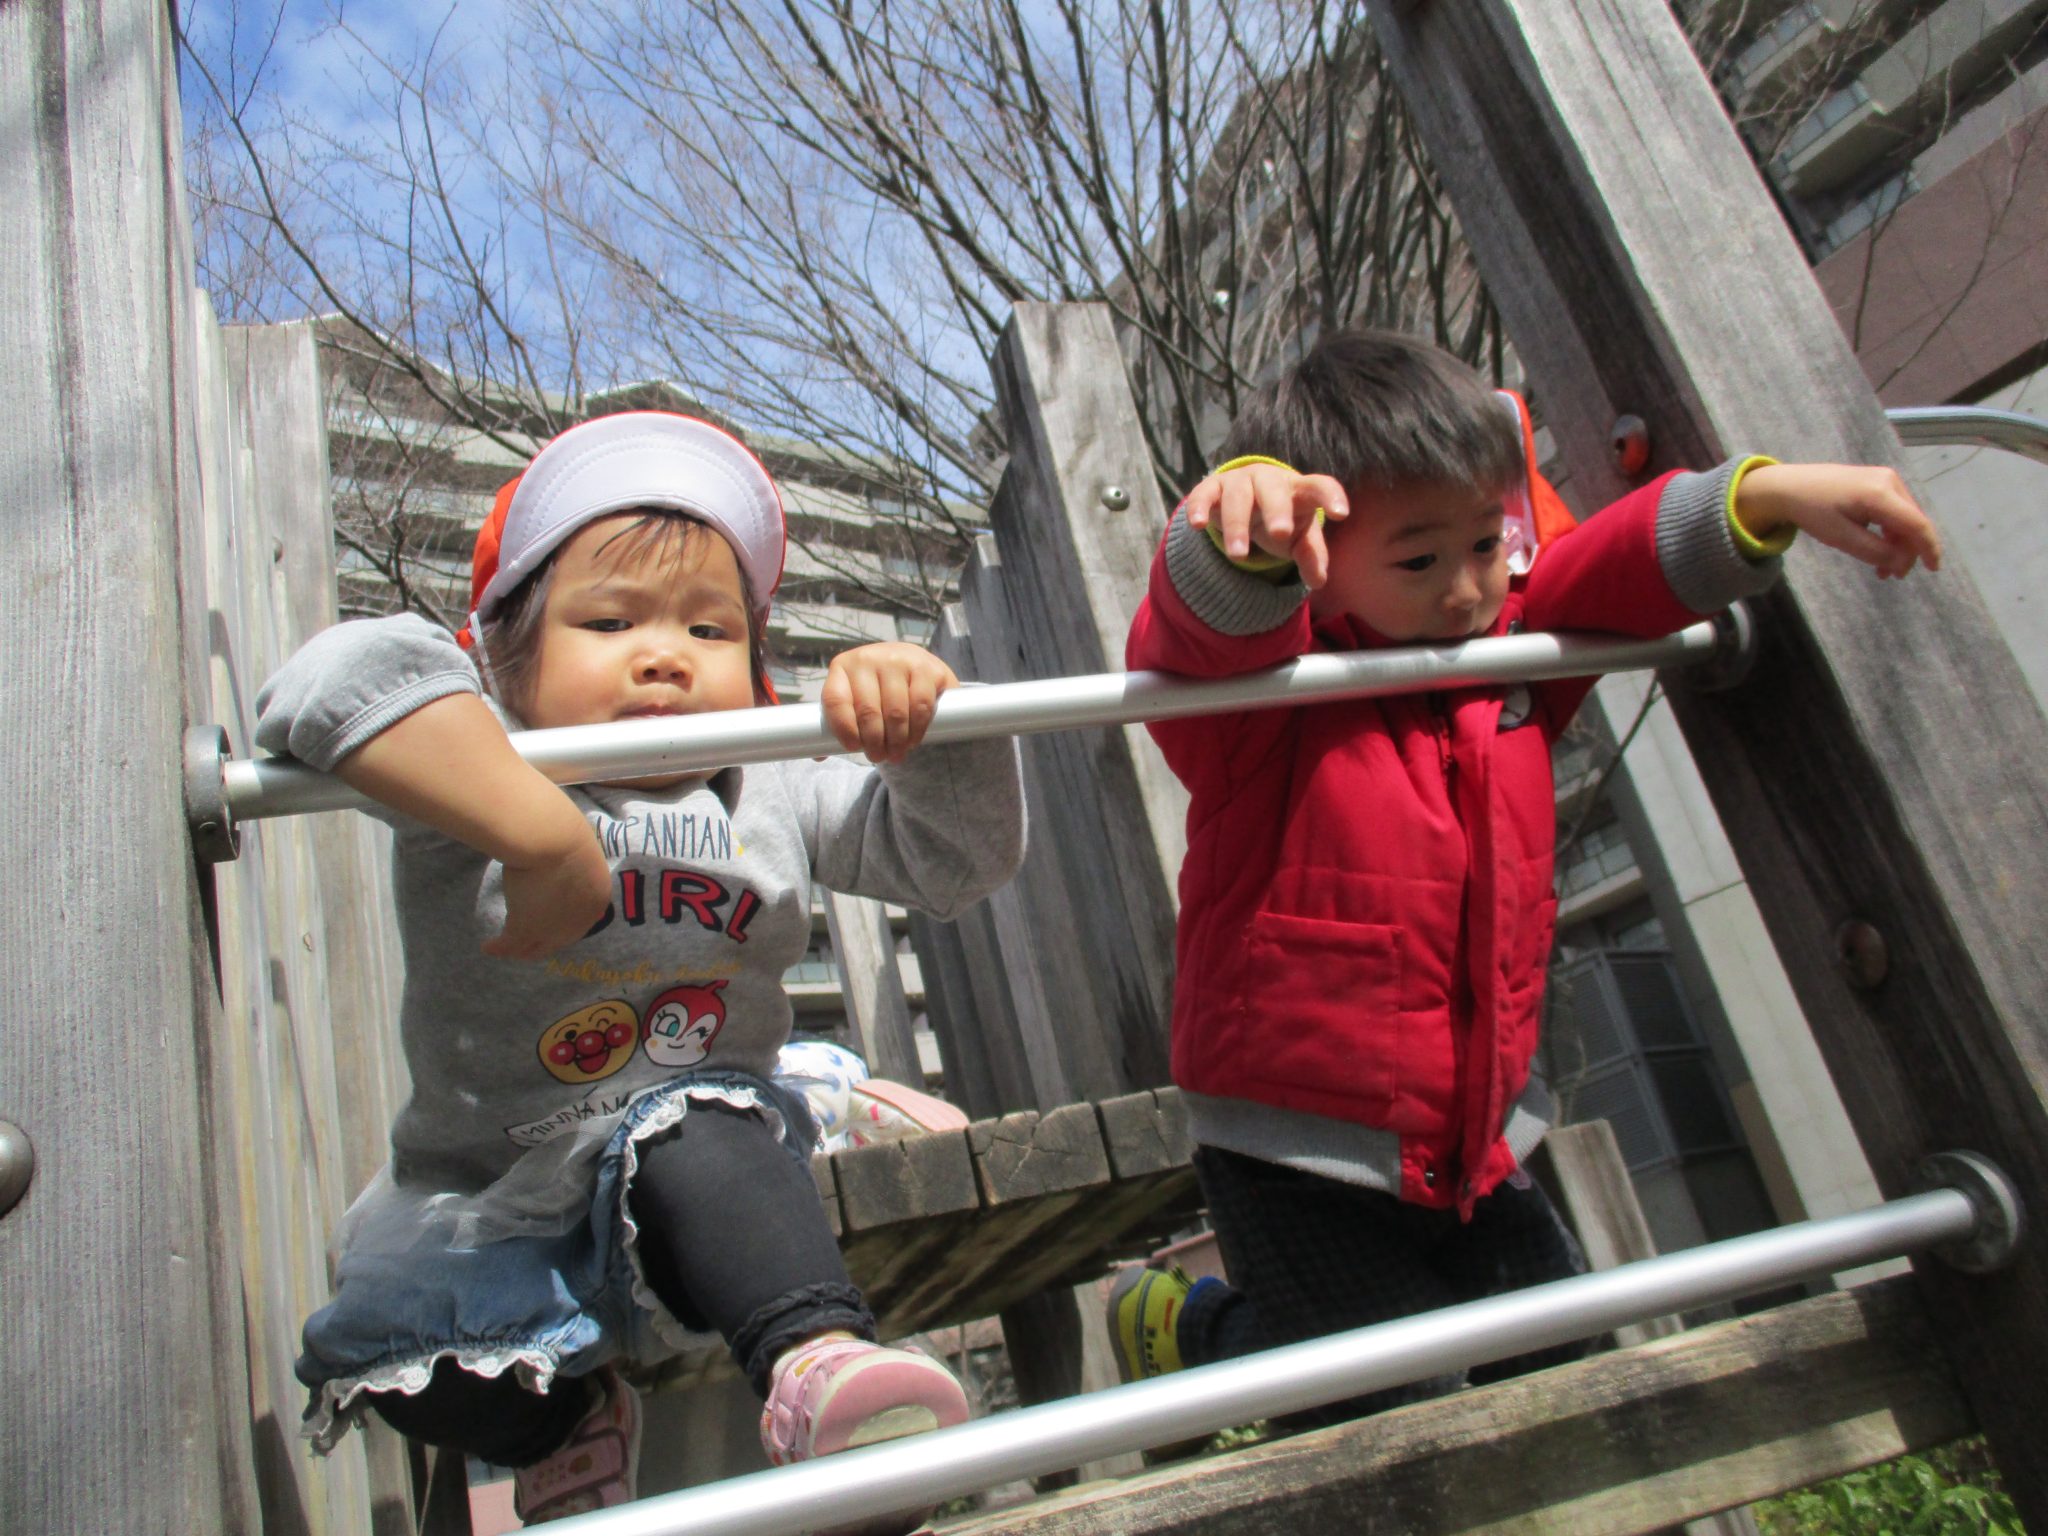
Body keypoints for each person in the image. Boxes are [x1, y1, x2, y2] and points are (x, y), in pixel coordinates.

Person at [1112, 328, 1940, 1421]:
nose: (1464, 590)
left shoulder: (1508, 667)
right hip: (1294, 1140)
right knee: (1376, 1401)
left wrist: (1764, 499)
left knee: (1571, 1373)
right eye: (1416, 560)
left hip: (1474, 1134)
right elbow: (1195, 634)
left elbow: (1606, 567)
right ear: (1313, 555)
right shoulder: (1266, 704)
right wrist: (1238, 532)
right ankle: (1189, 1321)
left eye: (1484, 544)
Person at [257, 411, 1025, 1524]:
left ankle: (822, 1372)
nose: (665, 653)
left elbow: (954, 861)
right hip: (489, 1178)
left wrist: (928, 718)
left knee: (694, 1131)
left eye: (711, 632)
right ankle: (560, 1425)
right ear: (504, 659)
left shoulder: (770, 780)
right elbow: (330, 674)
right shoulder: (471, 765)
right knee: (390, 1347)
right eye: (609, 620)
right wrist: (540, 834)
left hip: (693, 1134)